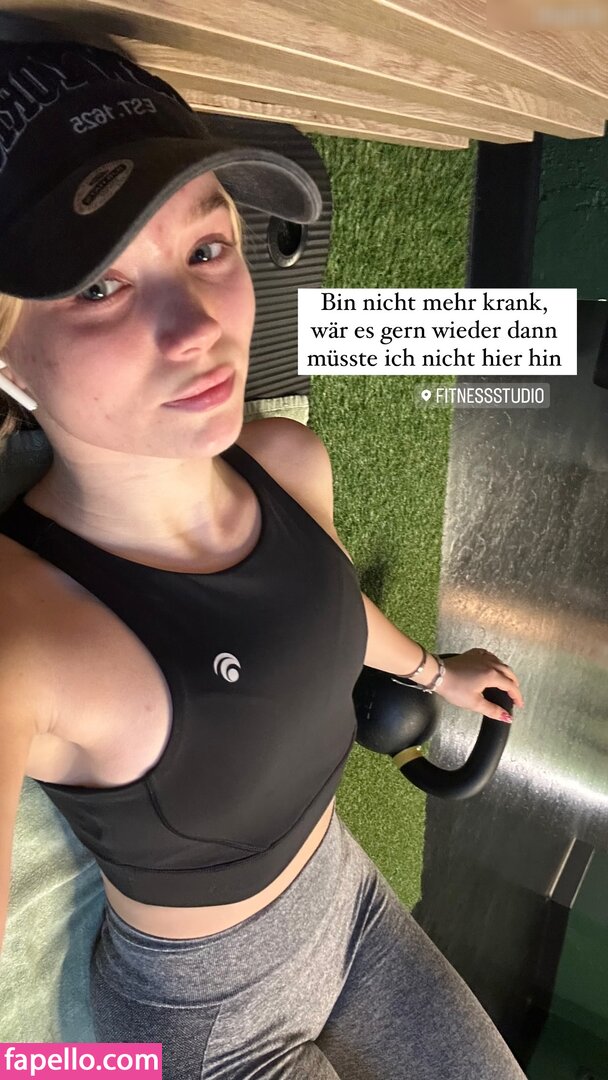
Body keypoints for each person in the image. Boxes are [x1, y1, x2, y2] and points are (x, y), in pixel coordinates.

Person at [0, 32, 527, 1080]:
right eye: (98, 286)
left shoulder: (286, 459)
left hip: (351, 902)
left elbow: (317, 601)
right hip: (209, 1028)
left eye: (207, 248)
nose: (196, 325)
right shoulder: (24, 633)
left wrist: (435, 673)